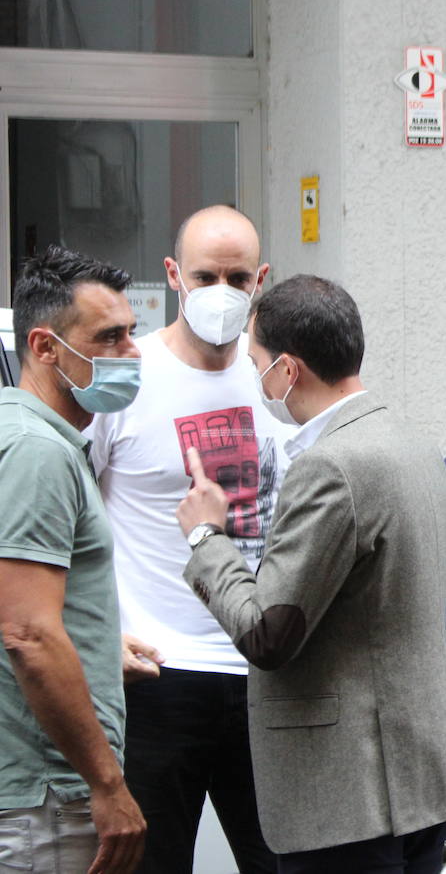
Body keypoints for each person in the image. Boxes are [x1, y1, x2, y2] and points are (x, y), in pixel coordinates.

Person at [174, 275, 446, 873]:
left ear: (288, 370)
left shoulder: (331, 467)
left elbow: (269, 633)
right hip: (420, 774)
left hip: (349, 788)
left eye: (256, 362)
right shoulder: (409, 441)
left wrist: (206, 538)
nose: (255, 377)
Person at [85, 205, 284, 874]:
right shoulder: (123, 378)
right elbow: (68, 519)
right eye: (205, 276)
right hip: (156, 677)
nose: (221, 293)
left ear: (261, 279)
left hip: (261, 672)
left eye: (237, 277)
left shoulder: (276, 378)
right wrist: (96, 636)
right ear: (173, 275)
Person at [0, 246, 146, 873]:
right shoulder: (36, 451)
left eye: (132, 333)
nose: (131, 353)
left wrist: (97, 650)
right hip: (50, 802)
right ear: (46, 346)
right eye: (109, 338)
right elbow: (28, 633)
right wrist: (107, 786)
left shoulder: (34, 436)